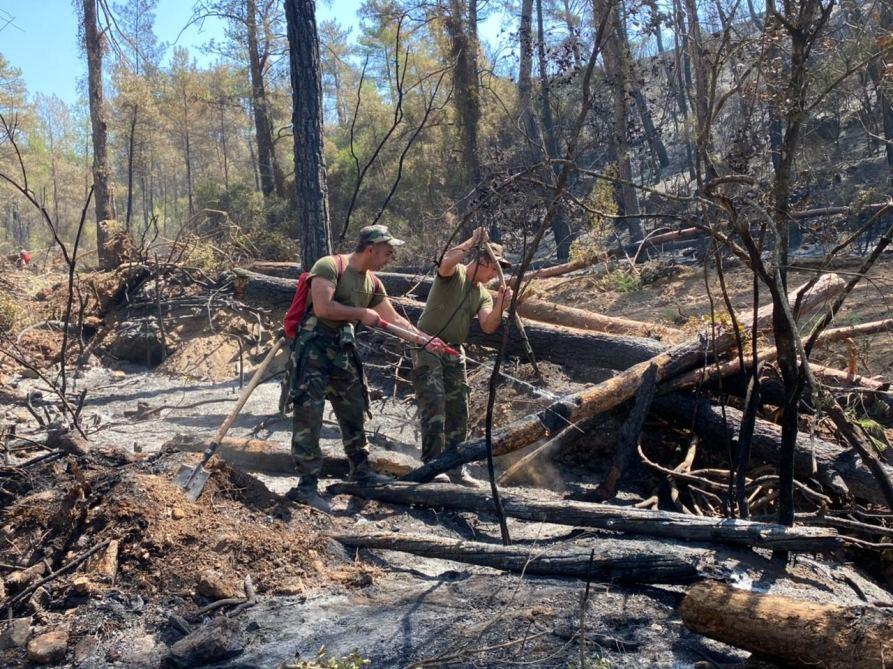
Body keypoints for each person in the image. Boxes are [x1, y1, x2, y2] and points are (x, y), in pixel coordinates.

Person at [287, 224, 441, 511]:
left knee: (354, 408)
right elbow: (323, 308)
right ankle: (306, 486)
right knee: (309, 413)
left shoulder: (373, 282)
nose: (390, 257)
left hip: (343, 352)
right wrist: (361, 313)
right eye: (387, 252)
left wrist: (424, 340)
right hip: (313, 351)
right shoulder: (330, 266)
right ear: (370, 249)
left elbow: (393, 319)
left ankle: (360, 470)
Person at [412, 227, 513, 485]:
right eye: (493, 268)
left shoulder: (482, 294)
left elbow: (488, 326)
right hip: (428, 344)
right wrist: (472, 241)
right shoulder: (452, 274)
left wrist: (501, 304)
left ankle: (456, 467)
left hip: (454, 351)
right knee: (434, 401)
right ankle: (432, 465)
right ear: (481, 261)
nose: (494, 274)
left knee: (460, 409)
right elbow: (445, 263)